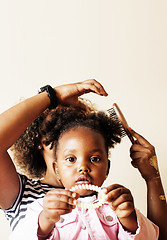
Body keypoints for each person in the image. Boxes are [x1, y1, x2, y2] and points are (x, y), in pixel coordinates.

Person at [10, 105, 159, 239]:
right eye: (71, 159)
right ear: (57, 170)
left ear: (107, 168)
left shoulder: (116, 204)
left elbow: (154, 237)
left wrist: (130, 221)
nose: (83, 167)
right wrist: (45, 221)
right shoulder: (42, 207)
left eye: (94, 159)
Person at [0, 79, 108, 232]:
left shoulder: (102, 199)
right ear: (38, 141)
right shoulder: (21, 193)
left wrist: (153, 180)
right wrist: (51, 96)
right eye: (55, 130)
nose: (66, 141)